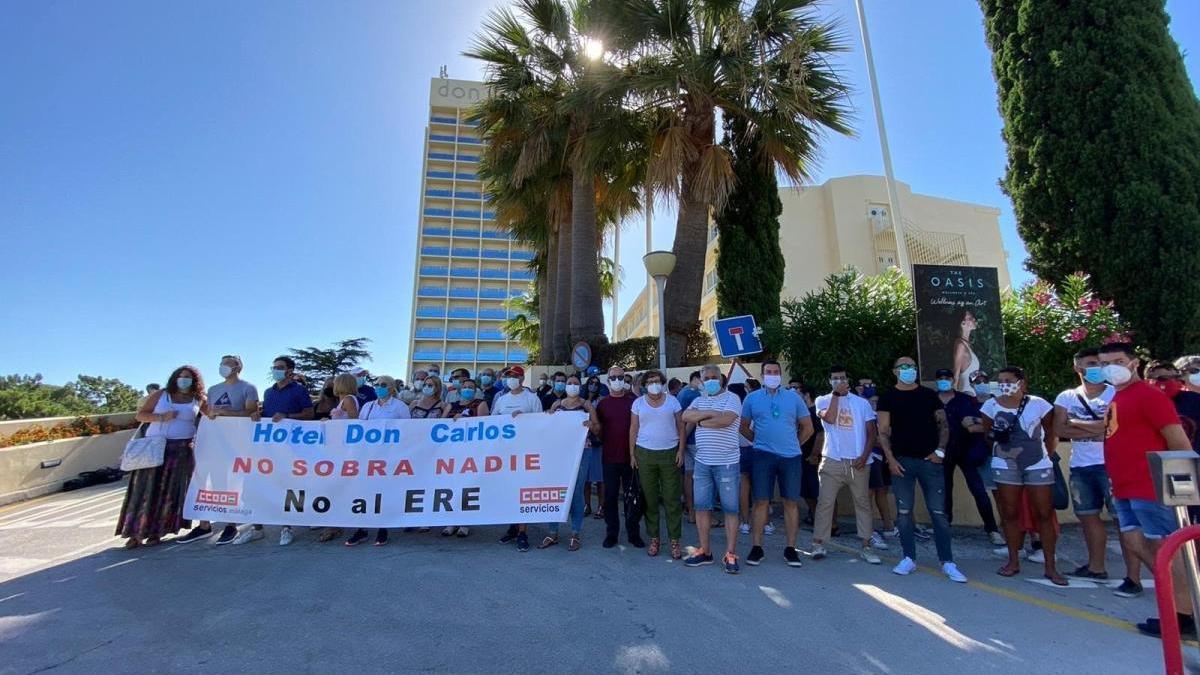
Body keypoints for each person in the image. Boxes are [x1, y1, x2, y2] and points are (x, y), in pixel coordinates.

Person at [1097, 343, 1197, 637]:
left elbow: (1178, 442)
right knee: (1135, 544)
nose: (1110, 368)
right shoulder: (1118, 396)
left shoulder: (1150, 397)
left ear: (1134, 362)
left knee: (1166, 548)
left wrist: (1183, 488)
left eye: (1117, 361)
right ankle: (1180, 602)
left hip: (1150, 485)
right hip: (1125, 485)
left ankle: (1185, 616)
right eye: (1105, 363)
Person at [876, 356, 966, 582]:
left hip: (930, 461)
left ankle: (947, 561)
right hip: (902, 462)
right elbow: (883, 431)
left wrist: (940, 451)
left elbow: (943, 425)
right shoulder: (888, 397)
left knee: (938, 513)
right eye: (904, 367)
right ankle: (908, 558)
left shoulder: (929, 396)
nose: (909, 370)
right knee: (904, 513)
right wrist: (890, 459)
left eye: (912, 366)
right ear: (895, 371)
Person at [980, 366, 1065, 585]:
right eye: (1000, 381)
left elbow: (1051, 432)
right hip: (1005, 464)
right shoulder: (989, 405)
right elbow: (988, 434)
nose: (1003, 384)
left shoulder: (1039, 404)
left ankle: (1050, 566)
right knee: (1010, 512)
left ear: (1021, 382)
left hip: (1037, 463)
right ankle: (1013, 560)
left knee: (1044, 513)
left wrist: (1045, 453)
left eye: (1008, 380)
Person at [117, 366, 206, 549]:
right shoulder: (161, 395)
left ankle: (157, 532)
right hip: (155, 447)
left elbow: (211, 414)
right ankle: (135, 533)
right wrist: (161, 417)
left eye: (188, 377)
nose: (184, 380)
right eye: (181, 376)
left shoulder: (198, 399)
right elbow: (141, 414)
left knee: (170, 493)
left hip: (181, 449)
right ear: (175, 378)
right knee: (146, 490)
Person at [176, 355, 260, 545]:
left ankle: (231, 524)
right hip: (214, 443)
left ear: (238, 367)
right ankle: (204, 525)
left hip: (237, 444)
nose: (223, 367)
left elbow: (251, 413)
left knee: (232, 483)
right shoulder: (213, 390)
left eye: (228, 363)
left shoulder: (248, 388)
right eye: (222, 363)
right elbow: (210, 414)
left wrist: (226, 413)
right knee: (209, 481)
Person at [231, 356, 314, 546]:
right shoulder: (268, 392)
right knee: (258, 484)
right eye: (274, 367)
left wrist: (287, 416)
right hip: (267, 447)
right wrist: (257, 415)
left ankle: (286, 527)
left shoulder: (299, 391)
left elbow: (309, 414)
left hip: (291, 448)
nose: (276, 370)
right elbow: (266, 415)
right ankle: (257, 528)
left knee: (287, 486)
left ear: (290, 371)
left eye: (280, 367)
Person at [1052, 348, 1119, 582]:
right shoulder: (1066, 397)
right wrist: (1098, 427)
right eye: (1091, 363)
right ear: (1078, 367)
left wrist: (1077, 423)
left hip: (1111, 465)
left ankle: (1134, 576)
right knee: (1088, 517)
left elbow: (1111, 429)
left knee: (1122, 520)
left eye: (1099, 363)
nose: (1096, 368)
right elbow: (1060, 430)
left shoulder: (1115, 394)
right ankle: (1096, 567)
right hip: (1081, 466)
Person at [739, 360, 814, 567]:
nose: (772, 375)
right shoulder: (751, 399)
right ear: (762, 376)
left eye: (776, 372)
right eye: (768, 372)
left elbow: (808, 427)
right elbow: (743, 426)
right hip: (763, 455)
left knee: (790, 501)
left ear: (781, 375)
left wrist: (794, 445)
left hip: (791, 457)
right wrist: (758, 441)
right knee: (761, 501)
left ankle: (791, 549)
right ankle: (757, 547)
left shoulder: (794, 398)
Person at [810, 366, 882, 564]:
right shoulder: (822, 400)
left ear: (848, 380)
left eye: (842, 378)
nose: (839, 381)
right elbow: (830, 418)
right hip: (832, 459)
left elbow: (871, 432)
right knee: (825, 502)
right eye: (835, 379)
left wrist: (864, 455)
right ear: (830, 381)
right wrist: (836, 395)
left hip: (858, 461)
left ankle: (866, 546)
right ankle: (818, 543)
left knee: (863, 503)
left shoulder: (861, 403)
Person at [682, 365, 743, 573]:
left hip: (727, 463)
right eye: (706, 377)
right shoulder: (698, 400)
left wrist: (702, 421)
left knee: (731, 509)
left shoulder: (732, 398)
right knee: (701, 507)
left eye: (713, 377)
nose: (710, 380)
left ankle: (731, 553)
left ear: (721, 378)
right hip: (702, 462)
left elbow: (726, 420)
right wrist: (709, 413)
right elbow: (686, 417)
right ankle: (705, 551)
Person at [937, 368, 1002, 545]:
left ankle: (992, 529)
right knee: (944, 491)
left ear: (953, 380)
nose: (944, 381)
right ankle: (945, 526)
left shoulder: (965, 399)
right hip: (943, 452)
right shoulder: (931, 399)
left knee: (979, 491)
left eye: (947, 378)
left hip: (968, 451)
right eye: (940, 378)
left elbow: (972, 424)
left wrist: (975, 422)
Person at [345, 376, 410, 547]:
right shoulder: (368, 406)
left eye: (383, 385)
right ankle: (362, 529)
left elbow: (408, 430)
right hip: (368, 456)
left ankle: (383, 528)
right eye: (377, 384)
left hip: (389, 456)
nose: (379, 387)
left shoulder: (399, 406)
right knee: (364, 492)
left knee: (383, 492)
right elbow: (360, 428)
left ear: (391, 388)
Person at [630, 370, 685, 559]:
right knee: (651, 500)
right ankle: (654, 538)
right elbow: (634, 428)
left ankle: (675, 541)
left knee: (672, 499)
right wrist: (632, 454)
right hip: (645, 454)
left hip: (670, 453)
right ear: (644, 384)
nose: (654, 384)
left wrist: (680, 450)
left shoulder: (673, 401)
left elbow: (681, 427)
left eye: (657, 381)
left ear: (662, 383)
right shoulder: (638, 403)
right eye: (650, 381)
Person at [542, 375, 600, 551]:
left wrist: (591, 424)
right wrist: (548, 417)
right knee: (555, 490)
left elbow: (598, 428)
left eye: (575, 383)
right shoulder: (557, 405)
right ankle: (552, 532)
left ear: (579, 386)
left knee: (576, 492)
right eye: (569, 383)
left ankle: (575, 533)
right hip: (559, 453)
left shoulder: (586, 405)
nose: (572, 386)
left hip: (582, 452)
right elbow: (548, 428)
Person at [490, 366, 544, 552]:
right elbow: (493, 424)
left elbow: (540, 423)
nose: (511, 379)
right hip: (505, 454)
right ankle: (513, 528)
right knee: (509, 491)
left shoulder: (532, 398)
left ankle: (523, 532)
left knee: (523, 492)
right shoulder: (501, 400)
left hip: (525, 452)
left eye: (514, 376)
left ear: (521, 379)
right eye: (508, 376)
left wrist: (524, 420)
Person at [595, 366, 644, 549]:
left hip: (632, 458)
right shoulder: (603, 404)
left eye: (620, 377)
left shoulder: (635, 401)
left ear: (625, 379)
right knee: (610, 497)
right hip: (609, 458)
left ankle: (633, 533)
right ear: (608, 381)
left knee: (633, 498)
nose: (617, 380)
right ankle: (611, 533)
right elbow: (598, 430)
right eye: (613, 377)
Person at [438, 376, 489, 539]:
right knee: (451, 486)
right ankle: (451, 520)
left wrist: (465, 421)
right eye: (465, 387)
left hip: (471, 452)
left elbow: (485, 424)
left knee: (468, 486)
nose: (467, 389)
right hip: (452, 453)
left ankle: (465, 522)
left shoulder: (480, 404)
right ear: (460, 390)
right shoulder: (451, 405)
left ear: (475, 391)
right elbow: (440, 424)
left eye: (471, 387)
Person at [1147, 360, 1200, 449]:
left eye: (1175, 378)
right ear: (1148, 381)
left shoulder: (1195, 401)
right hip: (1151, 459)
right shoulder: (1140, 404)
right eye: (1163, 378)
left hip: (1190, 458)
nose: (1172, 381)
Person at [678, 371, 703, 523]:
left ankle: (691, 511)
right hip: (693, 441)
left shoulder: (682, 392)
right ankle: (701, 513)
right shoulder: (694, 394)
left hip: (686, 441)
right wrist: (684, 438)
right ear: (695, 379)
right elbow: (691, 421)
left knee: (688, 476)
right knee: (702, 478)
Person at [952, 309, 982, 394]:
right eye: (970, 318)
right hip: (966, 394)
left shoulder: (967, 344)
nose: (974, 319)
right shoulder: (960, 345)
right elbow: (956, 374)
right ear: (962, 323)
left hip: (972, 394)